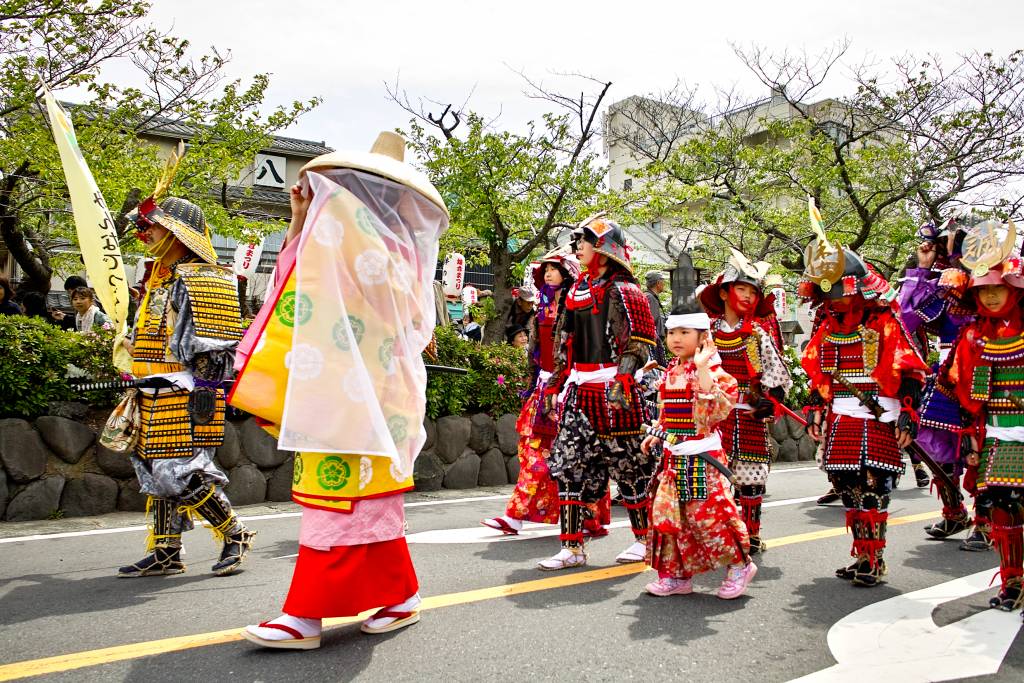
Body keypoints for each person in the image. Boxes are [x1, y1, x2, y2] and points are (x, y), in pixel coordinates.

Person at [236, 132, 449, 649]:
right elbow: (302, 280)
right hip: (343, 390)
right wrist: (299, 224)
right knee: (360, 500)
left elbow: (318, 285)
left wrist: (317, 225)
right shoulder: (354, 239)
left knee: (340, 500)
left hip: (365, 392)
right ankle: (400, 595)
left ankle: (306, 613)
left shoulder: (376, 244)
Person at [115, 187, 254, 579]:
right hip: (150, 390)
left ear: (177, 233)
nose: (149, 236)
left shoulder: (205, 279)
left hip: (188, 393)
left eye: (156, 229)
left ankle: (235, 533)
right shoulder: (157, 280)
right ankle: (166, 549)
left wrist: (207, 397)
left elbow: (217, 346)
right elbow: (159, 338)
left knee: (178, 472)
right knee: (152, 472)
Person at [799, 239, 928, 587]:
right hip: (842, 419)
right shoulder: (826, 326)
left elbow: (911, 371)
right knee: (847, 489)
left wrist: (906, 415)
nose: (835, 300)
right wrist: (815, 411)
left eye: (840, 292)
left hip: (878, 417)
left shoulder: (885, 322)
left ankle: (874, 558)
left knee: (874, 488)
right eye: (829, 294)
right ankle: (861, 554)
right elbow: (818, 376)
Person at [537, 214, 658, 570]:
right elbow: (564, 343)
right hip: (579, 389)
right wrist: (556, 383)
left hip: (615, 391)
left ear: (603, 249)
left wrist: (622, 380)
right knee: (568, 464)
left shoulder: (627, 291)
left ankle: (644, 539)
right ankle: (572, 547)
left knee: (629, 465)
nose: (577, 248)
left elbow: (638, 342)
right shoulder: (575, 291)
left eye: (584, 241)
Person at [481, 248, 610, 538]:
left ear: (567, 273)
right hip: (544, 386)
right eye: (545, 270)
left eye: (553, 269)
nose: (547, 274)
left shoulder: (579, 304)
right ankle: (515, 515)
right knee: (533, 452)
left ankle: (589, 514)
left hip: (572, 387)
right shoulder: (543, 306)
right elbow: (537, 353)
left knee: (581, 456)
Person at [642, 303, 757, 599]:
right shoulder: (671, 370)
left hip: (703, 459)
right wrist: (657, 433)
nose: (676, 338)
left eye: (684, 332)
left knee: (711, 515)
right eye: (671, 333)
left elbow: (713, 414)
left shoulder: (716, 373)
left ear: (703, 336)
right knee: (671, 516)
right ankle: (677, 575)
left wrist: (704, 367)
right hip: (674, 457)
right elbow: (668, 411)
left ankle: (739, 566)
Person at [938, 219, 1024, 614]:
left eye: (997, 289)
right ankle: (1013, 583)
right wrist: (972, 436)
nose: (991, 297)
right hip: (995, 435)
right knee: (1002, 510)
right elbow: (963, 391)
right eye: (984, 290)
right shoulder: (973, 337)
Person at [699, 249, 792, 554]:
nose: (749, 297)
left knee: (751, 480)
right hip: (714, 418)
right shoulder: (707, 334)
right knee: (713, 479)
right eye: (742, 289)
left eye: (753, 292)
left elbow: (776, 374)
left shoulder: (756, 334)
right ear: (724, 293)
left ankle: (750, 535)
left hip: (748, 416)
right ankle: (720, 533)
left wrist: (771, 399)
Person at [897, 220, 978, 544]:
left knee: (981, 448)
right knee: (934, 444)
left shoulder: (993, 290)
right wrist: (922, 267)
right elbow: (906, 317)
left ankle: (988, 521)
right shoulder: (943, 294)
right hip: (946, 375)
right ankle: (954, 511)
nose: (951, 256)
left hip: (987, 372)